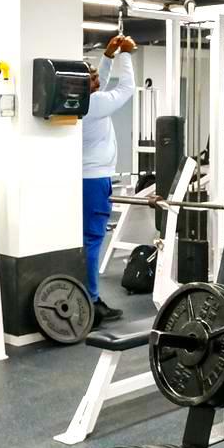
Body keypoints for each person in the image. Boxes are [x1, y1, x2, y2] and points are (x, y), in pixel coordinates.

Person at [82, 33, 137, 325]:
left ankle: (84, 295)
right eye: (91, 79)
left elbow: (95, 85)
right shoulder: (95, 104)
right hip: (94, 180)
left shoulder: (75, 102)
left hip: (79, 179)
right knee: (92, 240)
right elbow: (127, 88)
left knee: (80, 240)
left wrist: (107, 57)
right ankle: (91, 301)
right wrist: (126, 54)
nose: (97, 81)